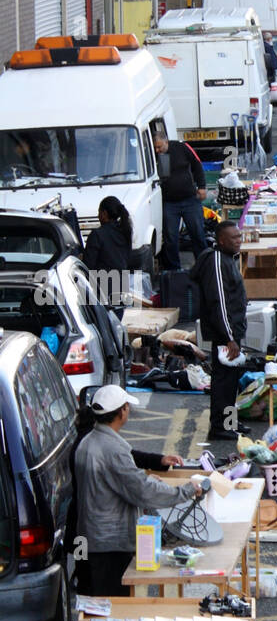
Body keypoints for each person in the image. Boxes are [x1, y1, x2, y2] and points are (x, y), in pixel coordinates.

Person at [74, 386, 201, 596]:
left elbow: (112, 484)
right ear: (122, 411)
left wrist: (144, 478)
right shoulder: (113, 449)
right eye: (127, 407)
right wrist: (184, 491)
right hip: (110, 545)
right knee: (112, 606)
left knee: (94, 605)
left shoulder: (87, 443)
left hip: (91, 538)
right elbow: (142, 491)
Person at [192, 220, 247, 442]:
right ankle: (220, 427)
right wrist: (229, 338)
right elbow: (219, 302)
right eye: (234, 238)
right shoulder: (216, 261)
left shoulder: (227, 258)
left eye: (239, 237)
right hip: (225, 335)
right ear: (221, 240)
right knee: (223, 383)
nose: (239, 241)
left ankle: (230, 422)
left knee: (231, 381)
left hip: (232, 333)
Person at [154, 133, 207, 272]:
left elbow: (197, 165)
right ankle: (173, 270)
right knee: (171, 238)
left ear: (166, 142)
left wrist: (202, 186)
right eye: (155, 148)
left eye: (159, 147)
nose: (157, 151)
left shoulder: (182, 147)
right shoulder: (154, 155)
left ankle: (204, 266)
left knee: (198, 234)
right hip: (169, 202)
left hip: (190, 199)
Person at [83, 197, 135, 307]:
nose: (98, 216)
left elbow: (88, 266)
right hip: (121, 289)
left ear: (104, 213)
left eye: (99, 212)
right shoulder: (125, 231)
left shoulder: (97, 235)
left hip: (101, 291)